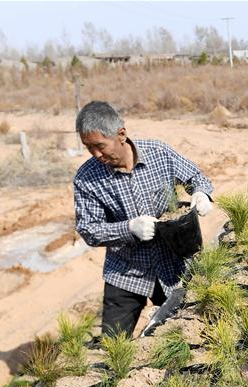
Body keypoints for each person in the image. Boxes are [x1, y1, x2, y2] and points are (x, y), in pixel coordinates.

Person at [73, 101, 214, 336]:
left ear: (121, 135)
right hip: (125, 271)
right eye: (88, 148)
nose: (96, 154)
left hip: (174, 264)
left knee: (187, 331)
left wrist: (201, 193)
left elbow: (196, 176)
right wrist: (128, 229)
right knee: (113, 346)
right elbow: (88, 229)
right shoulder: (87, 178)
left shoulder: (158, 153)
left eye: (100, 146)